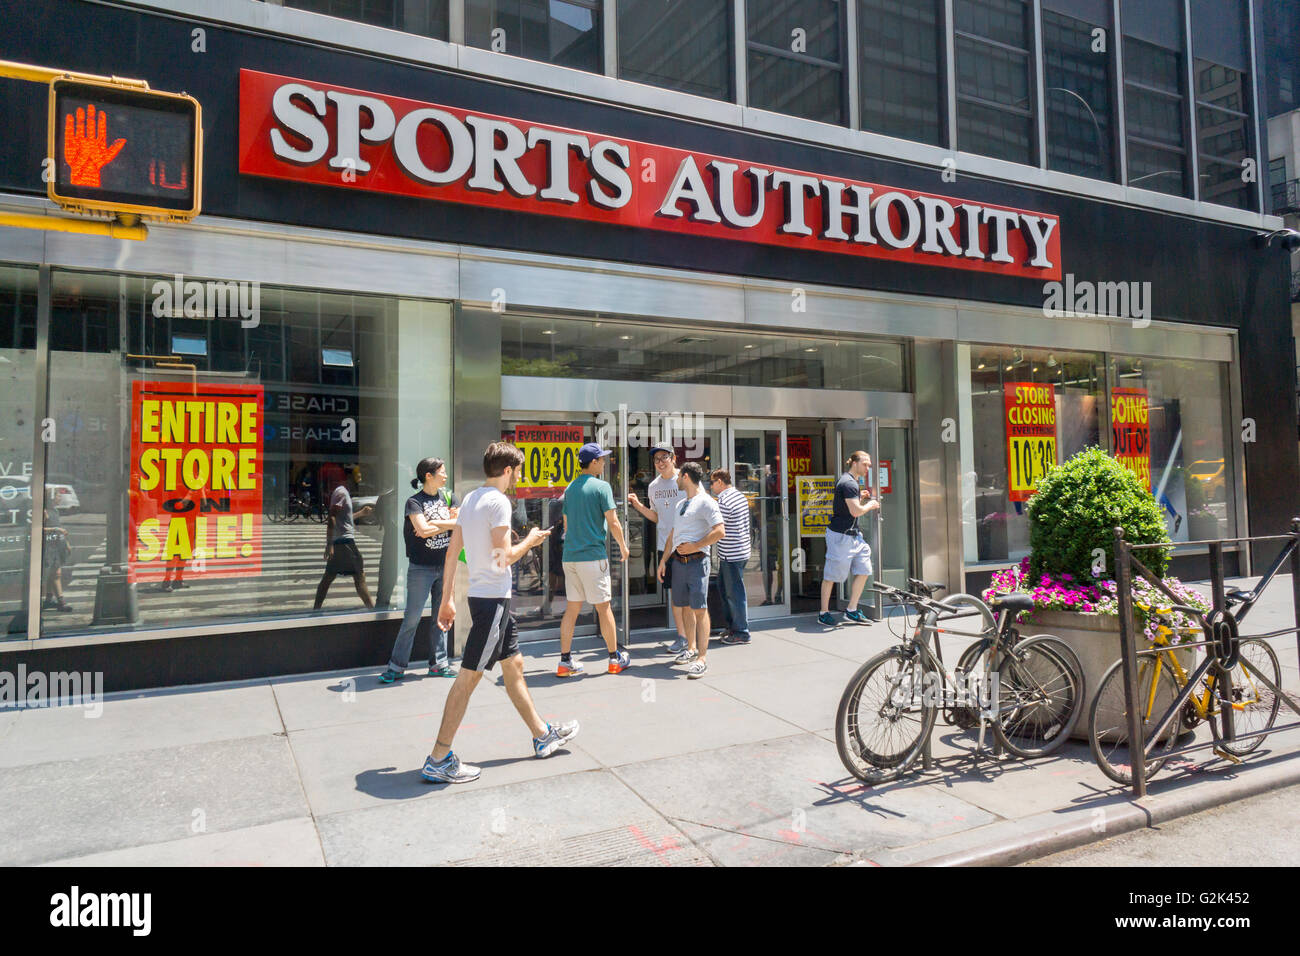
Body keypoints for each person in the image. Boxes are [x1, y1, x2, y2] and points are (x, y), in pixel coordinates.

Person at [423, 441, 579, 784]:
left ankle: (542, 735)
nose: (518, 477)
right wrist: (531, 540)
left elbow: (452, 554)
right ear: (507, 470)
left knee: (515, 666)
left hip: (486, 600)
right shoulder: (498, 503)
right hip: (492, 601)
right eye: (517, 471)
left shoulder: (471, 499)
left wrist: (448, 599)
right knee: (468, 678)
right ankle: (438, 757)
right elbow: (503, 557)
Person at [379, 457, 459, 684]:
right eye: (442, 472)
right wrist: (443, 524)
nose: (445, 476)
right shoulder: (414, 502)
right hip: (420, 568)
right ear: (429, 476)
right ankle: (396, 667)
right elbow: (421, 530)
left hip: (445, 565)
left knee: (440, 617)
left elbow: (458, 523)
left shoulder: (449, 497)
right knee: (412, 618)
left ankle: (439, 664)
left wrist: (432, 526)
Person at [557, 443, 632, 676]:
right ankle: (613, 659)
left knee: (572, 609)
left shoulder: (569, 488)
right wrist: (623, 545)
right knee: (603, 608)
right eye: (601, 459)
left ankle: (564, 662)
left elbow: (567, 526)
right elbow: (613, 521)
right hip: (593, 557)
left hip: (570, 556)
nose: (604, 462)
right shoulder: (602, 487)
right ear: (593, 462)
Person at [657, 462, 725, 679]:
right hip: (678, 563)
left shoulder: (706, 502)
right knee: (684, 606)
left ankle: (702, 658)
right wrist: (663, 561)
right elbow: (672, 536)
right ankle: (691, 648)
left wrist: (696, 545)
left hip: (697, 562)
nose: (676, 479)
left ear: (685, 476)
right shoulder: (681, 505)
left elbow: (720, 531)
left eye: (678, 476)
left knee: (699, 609)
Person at [627, 442, 688, 653]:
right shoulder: (653, 487)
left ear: (673, 458)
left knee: (690, 595)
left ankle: (694, 639)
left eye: (664, 457)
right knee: (674, 593)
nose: (660, 462)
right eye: (656, 459)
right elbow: (656, 516)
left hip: (688, 544)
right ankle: (682, 637)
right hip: (665, 547)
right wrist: (638, 506)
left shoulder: (685, 479)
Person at [818, 450, 879, 626]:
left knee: (864, 569)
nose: (868, 467)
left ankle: (851, 610)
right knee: (831, 575)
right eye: (865, 464)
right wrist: (870, 505)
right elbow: (855, 511)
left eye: (869, 464)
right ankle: (823, 613)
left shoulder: (850, 483)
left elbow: (845, 506)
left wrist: (859, 497)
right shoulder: (848, 483)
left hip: (854, 536)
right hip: (841, 536)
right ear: (854, 463)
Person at [314, 466, 374, 609]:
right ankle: (373, 610)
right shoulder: (341, 492)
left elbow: (343, 518)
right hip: (345, 543)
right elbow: (332, 518)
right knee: (359, 576)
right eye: (356, 479)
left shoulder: (341, 492)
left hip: (341, 542)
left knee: (328, 578)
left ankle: (316, 609)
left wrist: (361, 513)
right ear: (348, 478)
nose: (358, 483)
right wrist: (329, 544)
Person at [710, 469, 752, 645]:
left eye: (712, 483)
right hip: (740, 550)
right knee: (726, 589)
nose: (710, 486)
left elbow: (717, 527)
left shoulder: (724, 501)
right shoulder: (739, 496)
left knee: (734, 593)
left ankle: (741, 632)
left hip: (731, 554)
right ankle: (733, 627)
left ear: (720, 482)